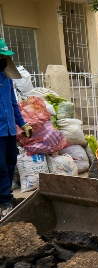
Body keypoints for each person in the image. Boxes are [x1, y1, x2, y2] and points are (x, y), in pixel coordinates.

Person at [0, 39, 32, 216]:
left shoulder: (6, 77)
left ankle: (6, 197)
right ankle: (4, 201)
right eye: (2, 56)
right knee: (1, 167)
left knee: (11, 162)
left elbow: (13, 103)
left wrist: (22, 123)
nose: (4, 59)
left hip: (9, 130)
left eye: (5, 56)